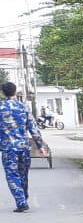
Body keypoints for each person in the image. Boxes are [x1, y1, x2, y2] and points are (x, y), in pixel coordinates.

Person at [0, 83, 41, 212]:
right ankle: (23, 197)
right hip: (24, 147)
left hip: (8, 148)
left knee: (12, 175)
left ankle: (21, 200)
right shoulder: (23, 107)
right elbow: (33, 127)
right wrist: (40, 145)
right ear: (15, 91)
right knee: (23, 174)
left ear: (2, 93)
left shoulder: (1, 107)